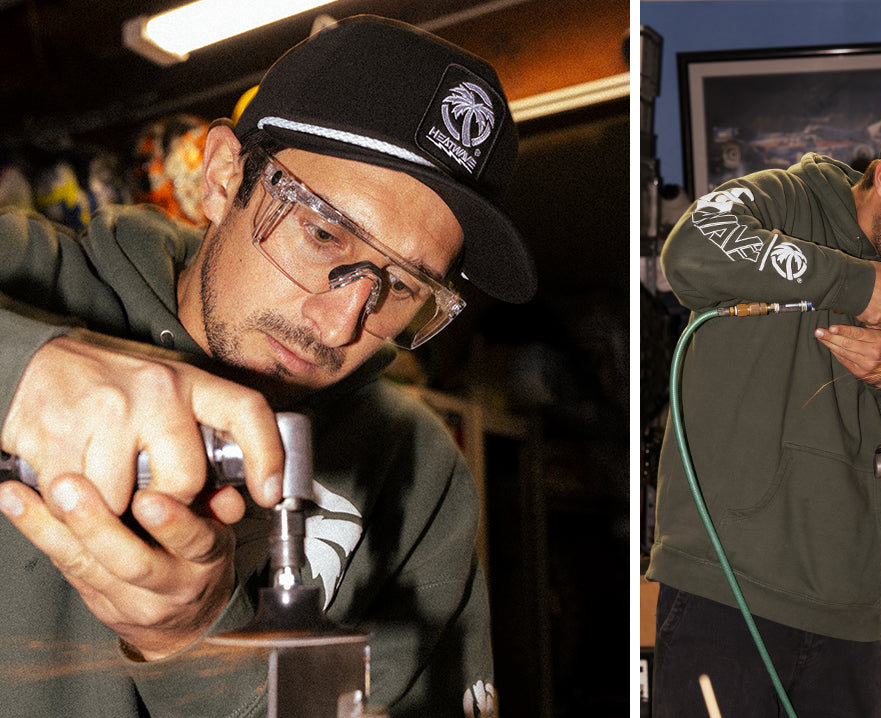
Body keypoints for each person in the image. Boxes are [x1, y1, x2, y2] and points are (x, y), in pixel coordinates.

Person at [0, 14, 535, 718]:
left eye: (403, 287)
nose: (340, 326)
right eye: (323, 232)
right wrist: (22, 370)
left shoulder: (415, 472)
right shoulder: (25, 275)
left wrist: (196, 644)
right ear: (224, 177)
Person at [647, 113, 881, 717]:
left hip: (850, 622)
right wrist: (854, 283)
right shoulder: (782, 200)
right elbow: (689, 249)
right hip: (724, 593)